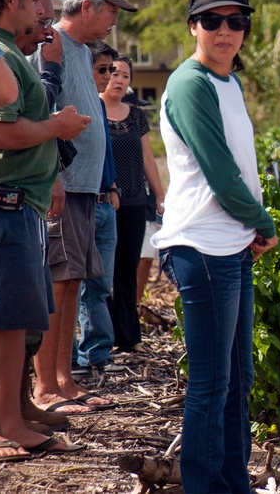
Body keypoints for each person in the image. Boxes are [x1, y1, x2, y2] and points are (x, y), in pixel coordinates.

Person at [150, 0, 277, 492]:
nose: (225, 31)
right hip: (202, 245)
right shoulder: (189, 83)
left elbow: (240, 169)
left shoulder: (229, 81)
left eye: (236, 20)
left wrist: (251, 225)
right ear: (192, 26)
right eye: (212, 20)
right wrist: (264, 221)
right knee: (209, 383)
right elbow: (221, 172)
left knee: (239, 380)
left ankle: (232, 483)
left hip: (232, 242)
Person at [0, 0, 90, 459]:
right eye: (32, 0)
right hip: (2, 203)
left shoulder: (3, 49)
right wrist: (57, 127)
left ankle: (10, 416)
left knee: (11, 321)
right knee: (0, 321)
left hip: (17, 202)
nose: (39, 13)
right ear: (9, 0)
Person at [29, 0, 136, 416]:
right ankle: (46, 388)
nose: (115, 19)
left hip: (85, 190)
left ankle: (65, 380)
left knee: (72, 282)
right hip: (63, 186)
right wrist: (52, 174)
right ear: (88, 6)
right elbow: (39, 111)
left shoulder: (84, 51)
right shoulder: (49, 47)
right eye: (112, 9)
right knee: (57, 281)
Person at [102, 55, 166, 354]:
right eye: (113, 73)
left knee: (127, 271)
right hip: (101, 202)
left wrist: (160, 193)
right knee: (102, 273)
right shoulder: (93, 109)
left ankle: (128, 337)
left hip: (134, 201)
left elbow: (148, 159)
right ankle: (102, 337)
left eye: (125, 76)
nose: (118, 79)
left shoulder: (136, 115)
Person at [73, 40, 124, 376]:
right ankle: (86, 354)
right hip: (84, 202)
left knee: (102, 284)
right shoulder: (76, 103)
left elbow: (105, 152)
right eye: (101, 69)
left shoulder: (102, 106)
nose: (108, 76)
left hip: (107, 203)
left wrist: (114, 185)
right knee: (81, 284)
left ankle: (98, 350)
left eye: (112, 70)